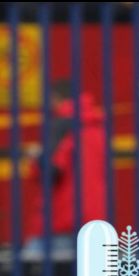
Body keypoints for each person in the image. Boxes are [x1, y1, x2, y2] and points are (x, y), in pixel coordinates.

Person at [26, 80, 107, 256]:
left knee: (34, 268)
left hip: (63, 217)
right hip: (94, 217)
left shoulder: (62, 126)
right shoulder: (96, 127)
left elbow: (52, 170)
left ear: (56, 98)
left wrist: (36, 157)